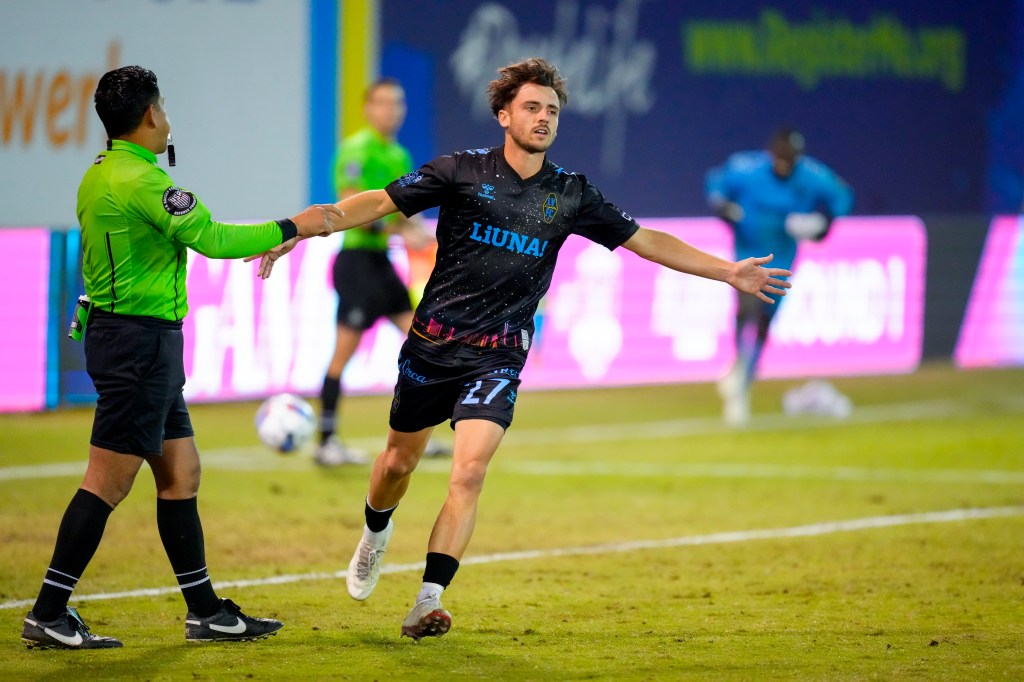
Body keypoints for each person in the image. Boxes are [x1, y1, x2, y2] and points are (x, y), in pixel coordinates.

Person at [252, 57, 791, 640]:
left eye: (552, 110)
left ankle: (427, 601)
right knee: (396, 464)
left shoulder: (571, 195)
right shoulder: (459, 171)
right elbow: (372, 203)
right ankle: (375, 535)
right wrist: (294, 229)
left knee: (470, 472)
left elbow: (646, 241)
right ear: (504, 115)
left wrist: (726, 272)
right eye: (532, 107)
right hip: (432, 347)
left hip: (500, 355)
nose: (543, 118)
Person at [20, 65, 344, 650]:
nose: (167, 116)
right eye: (163, 107)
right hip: (137, 347)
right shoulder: (143, 183)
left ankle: (206, 613)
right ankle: (47, 612)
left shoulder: (102, 174)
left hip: (143, 343)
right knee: (107, 482)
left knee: (181, 474)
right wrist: (302, 223)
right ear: (150, 116)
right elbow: (215, 239)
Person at [315, 77, 444, 466]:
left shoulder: (400, 156)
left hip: (382, 265)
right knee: (343, 354)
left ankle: (418, 434)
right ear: (368, 109)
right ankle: (326, 441)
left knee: (425, 343)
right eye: (383, 103)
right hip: (356, 264)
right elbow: (347, 210)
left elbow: (403, 213)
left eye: (397, 103)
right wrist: (404, 228)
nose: (391, 111)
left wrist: (410, 231)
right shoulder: (355, 150)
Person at [705, 127, 853, 425]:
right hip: (746, 257)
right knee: (745, 309)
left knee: (763, 324)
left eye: (791, 159)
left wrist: (821, 224)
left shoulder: (811, 176)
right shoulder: (746, 169)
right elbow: (715, 183)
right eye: (781, 157)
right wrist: (724, 208)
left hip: (782, 264)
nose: (785, 164)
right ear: (771, 153)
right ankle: (739, 372)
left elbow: (842, 197)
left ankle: (742, 382)